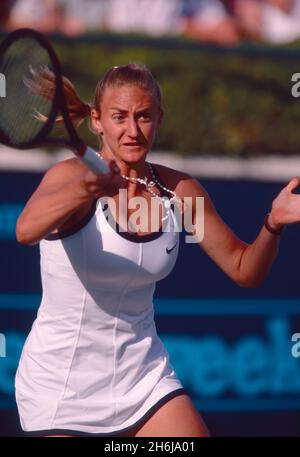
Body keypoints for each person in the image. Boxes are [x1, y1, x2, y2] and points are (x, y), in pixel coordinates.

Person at [15, 62, 300, 437]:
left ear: (159, 119)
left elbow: (244, 269)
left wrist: (272, 224)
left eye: (144, 116)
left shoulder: (180, 194)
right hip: (61, 390)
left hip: (145, 383)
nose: (132, 130)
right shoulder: (69, 177)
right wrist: (84, 191)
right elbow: (25, 230)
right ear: (97, 121)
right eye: (120, 117)